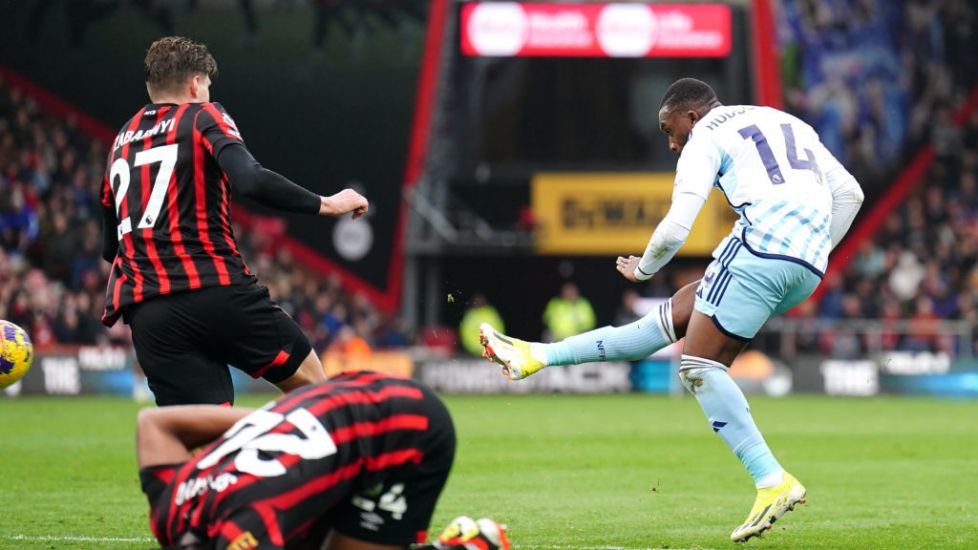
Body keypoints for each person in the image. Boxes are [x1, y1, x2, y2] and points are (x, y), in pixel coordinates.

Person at [480, 78, 864, 542]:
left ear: (692, 116)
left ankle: (771, 480)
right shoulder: (783, 120)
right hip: (806, 263)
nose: (670, 142)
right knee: (665, 321)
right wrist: (815, 253)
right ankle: (535, 356)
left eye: (670, 129)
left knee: (698, 365)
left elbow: (676, 226)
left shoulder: (706, 136)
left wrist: (643, 269)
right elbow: (851, 195)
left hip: (761, 248)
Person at [101, 36, 369, 406]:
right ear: (196, 83)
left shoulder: (121, 141)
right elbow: (251, 180)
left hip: (150, 314)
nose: (208, 92)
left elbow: (109, 246)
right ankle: (313, 460)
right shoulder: (202, 116)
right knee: (315, 394)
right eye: (207, 84)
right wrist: (327, 204)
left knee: (206, 443)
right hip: (216, 292)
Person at [137, 370, 510, 550]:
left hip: (407, 426)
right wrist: (277, 420)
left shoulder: (247, 526)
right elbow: (152, 423)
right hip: (339, 396)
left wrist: (280, 424)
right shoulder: (171, 504)